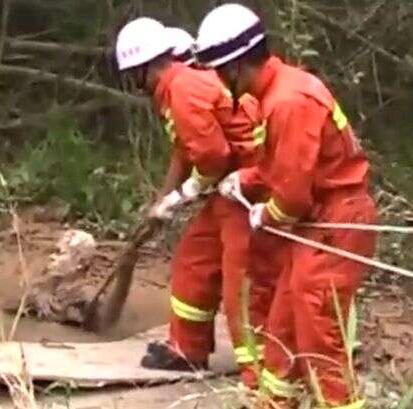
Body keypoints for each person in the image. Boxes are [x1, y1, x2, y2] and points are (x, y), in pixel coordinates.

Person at [195, 4, 378, 409]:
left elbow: (293, 195)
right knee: (283, 324)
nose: (220, 83)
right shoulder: (278, 93)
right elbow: (281, 166)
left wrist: (267, 214)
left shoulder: (288, 101)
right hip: (320, 219)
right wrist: (243, 180)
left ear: (236, 65)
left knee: (318, 332)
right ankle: (275, 402)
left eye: (219, 72)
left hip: (336, 218)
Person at [115, 18, 275, 387]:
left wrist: (183, 195)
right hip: (226, 189)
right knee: (194, 260)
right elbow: (186, 152)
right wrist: (164, 202)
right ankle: (188, 350)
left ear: (143, 68)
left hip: (247, 186)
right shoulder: (176, 89)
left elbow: (214, 156)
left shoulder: (182, 89)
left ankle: (260, 374)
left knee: (242, 281)